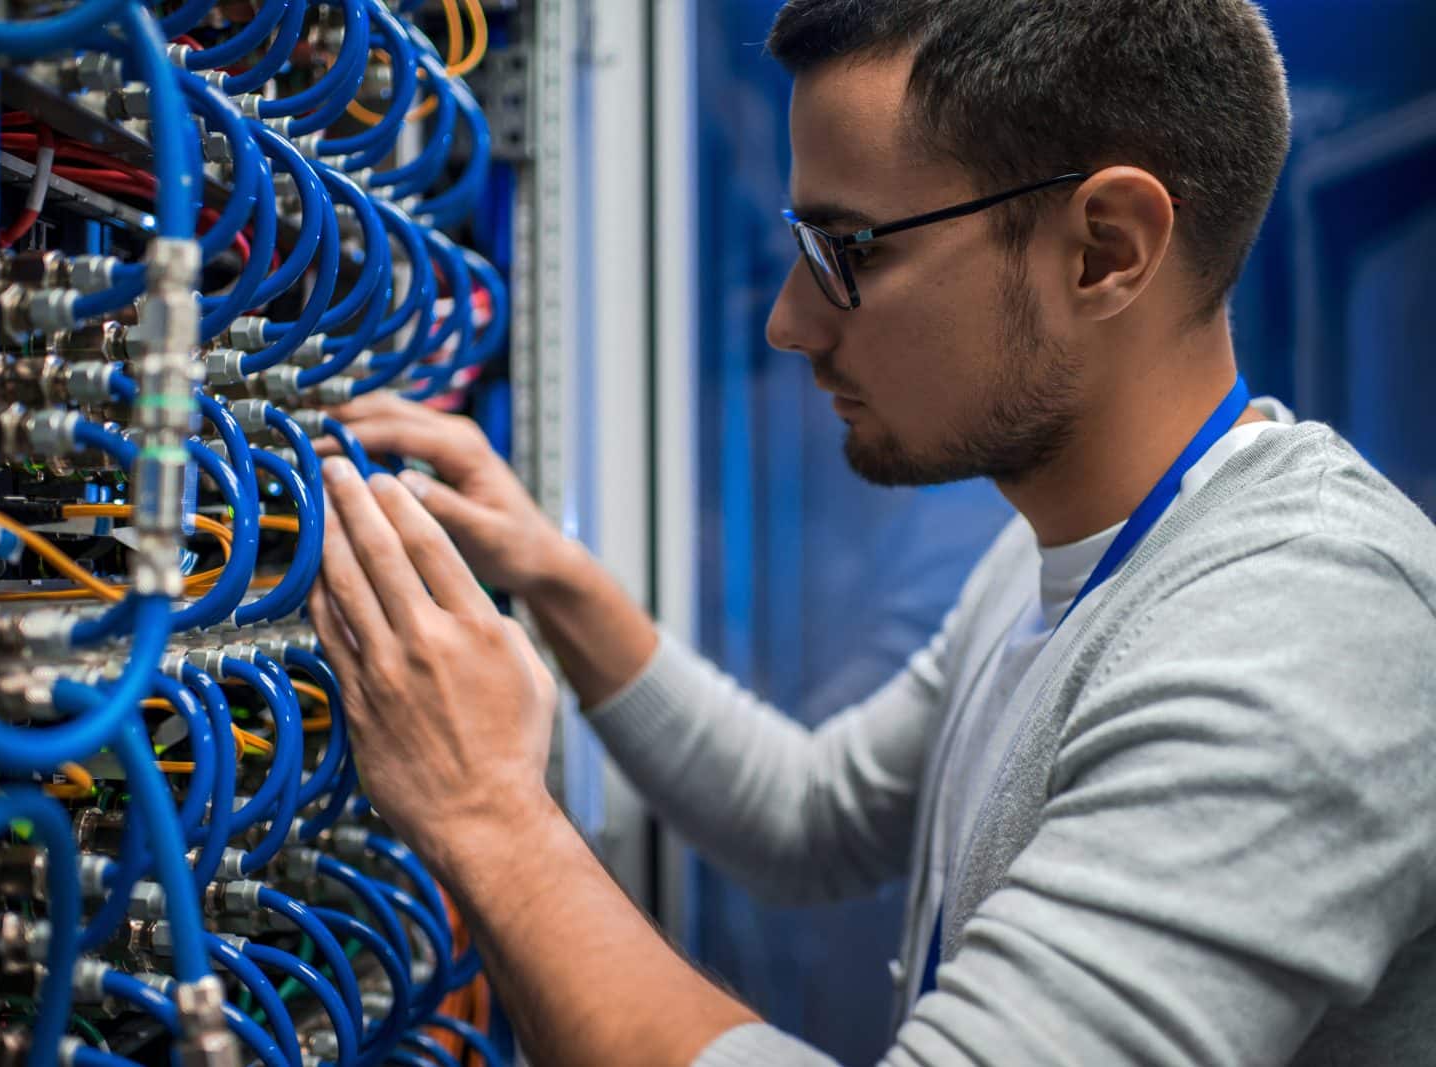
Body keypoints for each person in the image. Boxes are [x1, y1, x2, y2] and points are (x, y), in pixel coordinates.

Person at [308, 1, 1436, 1063]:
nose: (788, 323)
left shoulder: (1307, 634)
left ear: (1105, 248)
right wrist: (551, 572)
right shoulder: (1067, 549)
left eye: (849, 251)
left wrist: (487, 812)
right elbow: (813, 817)